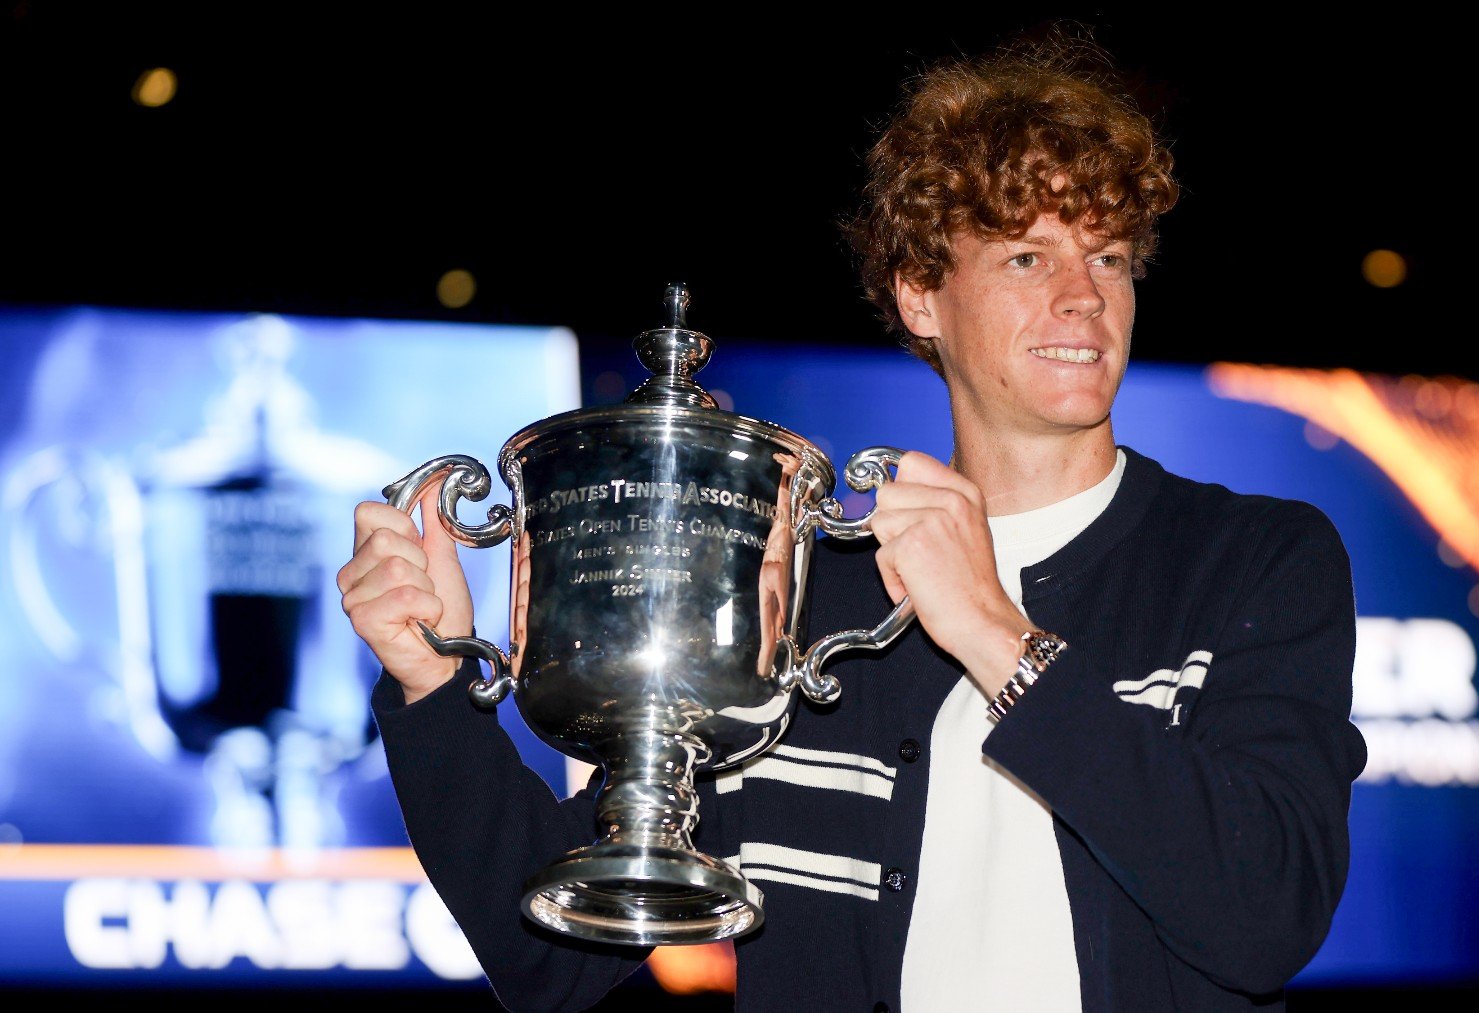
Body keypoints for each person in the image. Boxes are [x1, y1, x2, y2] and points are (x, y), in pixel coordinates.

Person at [338, 27, 1366, 1013]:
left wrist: (998, 636)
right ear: (922, 293)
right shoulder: (807, 602)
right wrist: (429, 686)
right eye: (1024, 258)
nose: (1081, 298)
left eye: (1107, 257)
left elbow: (1267, 915)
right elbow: (547, 961)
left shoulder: (1254, 559)